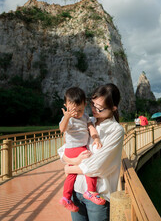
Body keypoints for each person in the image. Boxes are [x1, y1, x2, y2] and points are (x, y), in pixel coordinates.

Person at [58, 83, 124, 221]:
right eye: (93, 105)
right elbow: (64, 149)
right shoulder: (87, 121)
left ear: (113, 108)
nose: (94, 110)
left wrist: (71, 169)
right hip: (76, 191)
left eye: (99, 108)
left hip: (98, 194)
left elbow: (99, 166)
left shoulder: (115, 130)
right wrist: (72, 161)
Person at [59, 87, 105, 213]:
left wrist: (96, 138)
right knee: (90, 163)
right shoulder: (69, 118)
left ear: (85, 105)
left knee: (71, 175)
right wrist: (67, 117)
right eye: (74, 110)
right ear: (66, 106)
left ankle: (66, 198)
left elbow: (90, 127)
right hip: (74, 148)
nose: (77, 113)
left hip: (77, 148)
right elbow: (62, 129)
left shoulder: (85, 117)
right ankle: (91, 191)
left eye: (80, 110)